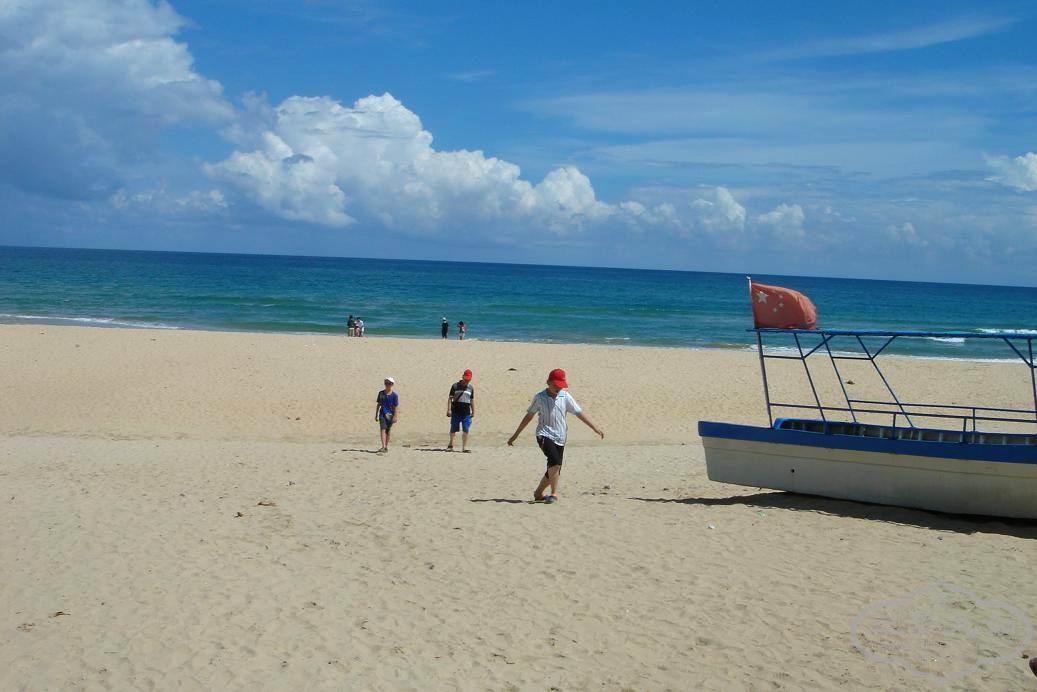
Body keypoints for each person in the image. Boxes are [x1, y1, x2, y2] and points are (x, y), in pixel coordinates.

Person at [507, 368, 604, 504]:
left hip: (561, 436)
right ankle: (554, 493)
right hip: (543, 434)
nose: (558, 388)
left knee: (555, 467)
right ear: (548, 382)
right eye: (555, 385)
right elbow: (529, 416)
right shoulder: (540, 397)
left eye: (561, 386)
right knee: (554, 460)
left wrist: (594, 427)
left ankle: (538, 493)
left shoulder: (565, 396)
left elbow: (579, 412)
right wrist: (515, 435)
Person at [446, 368, 475, 452]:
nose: (466, 381)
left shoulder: (471, 388)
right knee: (453, 429)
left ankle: (464, 447)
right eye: (465, 379)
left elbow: (471, 400)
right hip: (456, 411)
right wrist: (449, 410)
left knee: (466, 429)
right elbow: (450, 398)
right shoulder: (455, 386)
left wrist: (473, 411)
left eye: (468, 379)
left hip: (466, 413)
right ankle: (451, 444)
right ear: (462, 377)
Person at [375, 377, 399, 453]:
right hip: (382, 414)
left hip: (390, 415)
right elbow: (378, 404)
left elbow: (396, 407)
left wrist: (395, 416)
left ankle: (386, 446)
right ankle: (383, 446)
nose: (387, 385)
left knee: (388, 431)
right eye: (386, 383)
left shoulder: (395, 395)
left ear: (392, 384)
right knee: (382, 429)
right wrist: (376, 414)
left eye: (389, 383)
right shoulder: (381, 393)